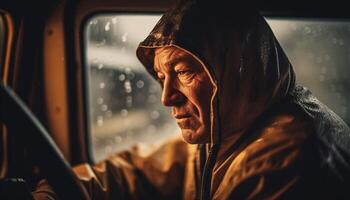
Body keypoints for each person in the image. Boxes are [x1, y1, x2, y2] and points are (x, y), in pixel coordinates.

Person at [34, 0, 350, 199]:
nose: (166, 98)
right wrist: (54, 190)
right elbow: (140, 170)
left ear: (237, 70)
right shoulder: (228, 130)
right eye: (161, 77)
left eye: (184, 73)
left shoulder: (283, 159)